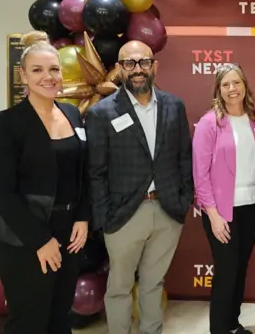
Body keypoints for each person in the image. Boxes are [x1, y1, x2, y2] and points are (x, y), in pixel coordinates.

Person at [0, 31, 90, 334]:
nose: (48, 76)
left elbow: (82, 173)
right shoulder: (5, 124)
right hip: (24, 238)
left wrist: (82, 216)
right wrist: (40, 241)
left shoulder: (71, 114)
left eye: (54, 69)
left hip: (69, 235)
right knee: (29, 322)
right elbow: (2, 193)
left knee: (60, 319)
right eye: (38, 70)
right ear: (24, 75)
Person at [87, 41, 193, 334]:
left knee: (153, 283)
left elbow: (185, 155)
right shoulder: (102, 113)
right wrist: (104, 218)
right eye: (129, 63)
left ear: (154, 66)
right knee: (119, 287)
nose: (137, 69)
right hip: (123, 215)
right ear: (119, 69)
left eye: (143, 62)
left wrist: (184, 200)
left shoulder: (174, 105)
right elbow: (96, 171)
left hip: (167, 210)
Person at [192, 64, 255, 334]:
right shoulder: (209, 123)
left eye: (236, 82)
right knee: (226, 272)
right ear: (218, 90)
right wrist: (212, 215)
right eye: (226, 84)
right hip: (222, 212)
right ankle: (220, 329)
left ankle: (233, 324)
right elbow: (200, 175)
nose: (232, 89)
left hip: (251, 208)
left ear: (245, 85)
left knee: (240, 269)